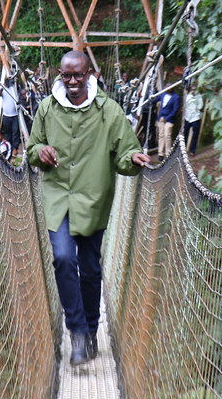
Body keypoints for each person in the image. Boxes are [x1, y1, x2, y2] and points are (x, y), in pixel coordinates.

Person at [26, 51, 150, 366]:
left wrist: (133, 160)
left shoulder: (109, 111)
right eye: (66, 76)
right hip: (58, 198)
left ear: (90, 73)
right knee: (64, 258)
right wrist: (40, 151)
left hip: (94, 199)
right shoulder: (46, 108)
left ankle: (93, 331)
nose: (72, 82)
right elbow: (31, 149)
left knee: (91, 269)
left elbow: (126, 151)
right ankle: (78, 332)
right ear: (59, 74)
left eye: (78, 75)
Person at [0, 76, 21, 156]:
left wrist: (15, 82)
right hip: (6, 115)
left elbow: (19, 91)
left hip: (15, 115)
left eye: (8, 81)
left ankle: (15, 148)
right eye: (6, 81)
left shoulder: (14, 88)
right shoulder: (2, 88)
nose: (7, 82)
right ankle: (8, 147)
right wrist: (3, 86)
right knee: (8, 133)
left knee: (15, 132)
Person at [156, 86, 181, 160]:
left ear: (172, 88)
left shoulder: (176, 97)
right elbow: (154, 99)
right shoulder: (162, 94)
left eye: (169, 87)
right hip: (160, 118)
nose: (168, 88)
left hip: (169, 119)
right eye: (166, 87)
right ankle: (160, 154)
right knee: (161, 135)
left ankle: (168, 153)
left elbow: (175, 109)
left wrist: (167, 118)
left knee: (167, 135)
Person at [182, 84, 204, 155]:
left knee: (195, 135)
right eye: (192, 89)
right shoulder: (188, 96)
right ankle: (183, 150)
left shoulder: (199, 96)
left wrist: (195, 100)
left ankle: (192, 150)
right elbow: (185, 105)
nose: (193, 91)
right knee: (185, 134)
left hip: (196, 117)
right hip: (187, 117)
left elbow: (200, 106)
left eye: (194, 89)